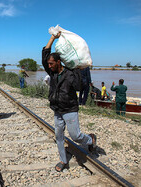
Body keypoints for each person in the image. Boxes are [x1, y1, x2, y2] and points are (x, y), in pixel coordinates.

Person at [42, 32, 97, 172]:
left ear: (59, 62)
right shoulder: (52, 73)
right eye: (48, 63)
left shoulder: (70, 73)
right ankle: (63, 160)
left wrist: (78, 69)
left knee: (76, 136)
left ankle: (90, 140)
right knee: (59, 136)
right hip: (57, 109)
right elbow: (45, 53)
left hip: (70, 109)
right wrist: (53, 38)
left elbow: (79, 87)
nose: (49, 65)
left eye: (51, 63)